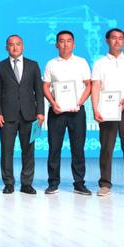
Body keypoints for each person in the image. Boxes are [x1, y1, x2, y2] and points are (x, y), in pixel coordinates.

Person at [91, 28, 124, 198]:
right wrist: (95, 109)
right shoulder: (99, 63)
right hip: (107, 110)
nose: (117, 41)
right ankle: (105, 184)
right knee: (107, 147)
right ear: (107, 40)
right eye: (113, 38)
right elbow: (96, 87)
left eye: (120, 38)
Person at [0, 34, 45, 194]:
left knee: (28, 150)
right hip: (7, 116)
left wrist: (40, 112)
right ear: (6, 47)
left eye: (18, 44)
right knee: (6, 151)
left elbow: (39, 91)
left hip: (29, 116)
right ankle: (8, 183)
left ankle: (26, 184)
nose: (15, 47)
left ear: (23, 46)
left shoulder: (33, 65)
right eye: (11, 44)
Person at [42, 30, 92, 195]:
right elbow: (45, 86)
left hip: (76, 111)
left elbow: (89, 85)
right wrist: (53, 103)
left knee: (78, 148)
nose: (65, 44)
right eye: (62, 41)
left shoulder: (81, 62)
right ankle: (53, 183)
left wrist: (79, 102)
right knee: (54, 148)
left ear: (74, 44)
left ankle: (79, 183)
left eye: (68, 41)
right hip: (56, 111)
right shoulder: (51, 64)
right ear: (56, 44)